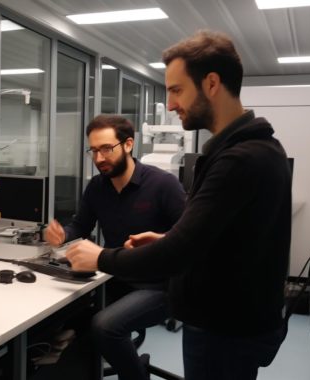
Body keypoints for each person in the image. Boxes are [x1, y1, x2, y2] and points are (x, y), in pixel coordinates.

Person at [66, 30, 292, 380]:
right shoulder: (247, 151)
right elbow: (217, 239)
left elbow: (179, 252)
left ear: (212, 83)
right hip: (229, 321)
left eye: (176, 89)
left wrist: (100, 257)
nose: (170, 104)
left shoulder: (240, 159)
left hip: (225, 328)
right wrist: (163, 239)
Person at [45, 114, 186, 380]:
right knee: (63, 317)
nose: (99, 159)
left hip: (160, 286)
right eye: (94, 150)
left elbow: (188, 240)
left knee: (105, 326)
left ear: (128, 144)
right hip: (113, 277)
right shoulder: (97, 187)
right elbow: (80, 227)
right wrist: (63, 235)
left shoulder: (163, 185)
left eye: (107, 149)